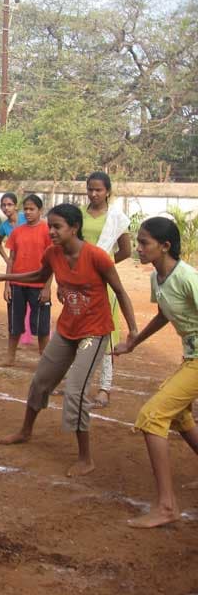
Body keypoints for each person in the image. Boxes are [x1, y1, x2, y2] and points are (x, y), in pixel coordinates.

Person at [0, 204, 138, 477]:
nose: (52, 231)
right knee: (40, 381)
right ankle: (25, 431)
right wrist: (4, 277)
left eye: (57, 227)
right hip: (68, 329)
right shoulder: (53, 253)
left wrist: (133, 331)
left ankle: (85, 457)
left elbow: (120, 291)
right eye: (51, 227)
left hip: (94, 332)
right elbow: (38, 275)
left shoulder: (97, 257)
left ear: (74, 228)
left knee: (76, 391)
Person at [113, 217, 198, 528]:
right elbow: (164, 314)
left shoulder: (188, 277)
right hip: (191, 357)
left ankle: (166, 506)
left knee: (153, 416)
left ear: (165, 246)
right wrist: (134, 342)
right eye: (138, 242)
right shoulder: (157, 279)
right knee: (179, 415)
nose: (138, 248)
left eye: (144, 243)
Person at [79, 171, 132, 408]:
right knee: (80, 330)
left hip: (104, 282)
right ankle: (79, 383)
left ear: (108, 191)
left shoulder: (116, 218)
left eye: (98, 189)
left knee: (107, 333)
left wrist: (103, 266)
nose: (94, 193)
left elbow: (125, 251)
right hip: (80, 281)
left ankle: (105, 388)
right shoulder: (79, 216)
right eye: (90, 188)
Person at [0, 195, 53, 366]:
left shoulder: (47, 231)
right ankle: (10, 357)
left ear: (40, 211)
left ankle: (44, 361)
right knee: (14, 324)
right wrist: (7, 284)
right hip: (17, 284)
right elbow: (11, 259)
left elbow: (52, 262)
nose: (28, 212)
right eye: (26, 209)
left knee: (42, 327)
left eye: (32, 209)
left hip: (38, 285)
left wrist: (47, 287)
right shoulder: (17, 232)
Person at [0, 192, 33, 346]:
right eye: (4, 205)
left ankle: (32, 335)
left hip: (32, 265)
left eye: (9, 204)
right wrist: (6, 258)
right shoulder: (4, 226)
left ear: (16, 206)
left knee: (33, 303)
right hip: (16, 267)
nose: (6, 208)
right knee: (18, 305)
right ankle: (22, 338)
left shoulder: (26, 218)